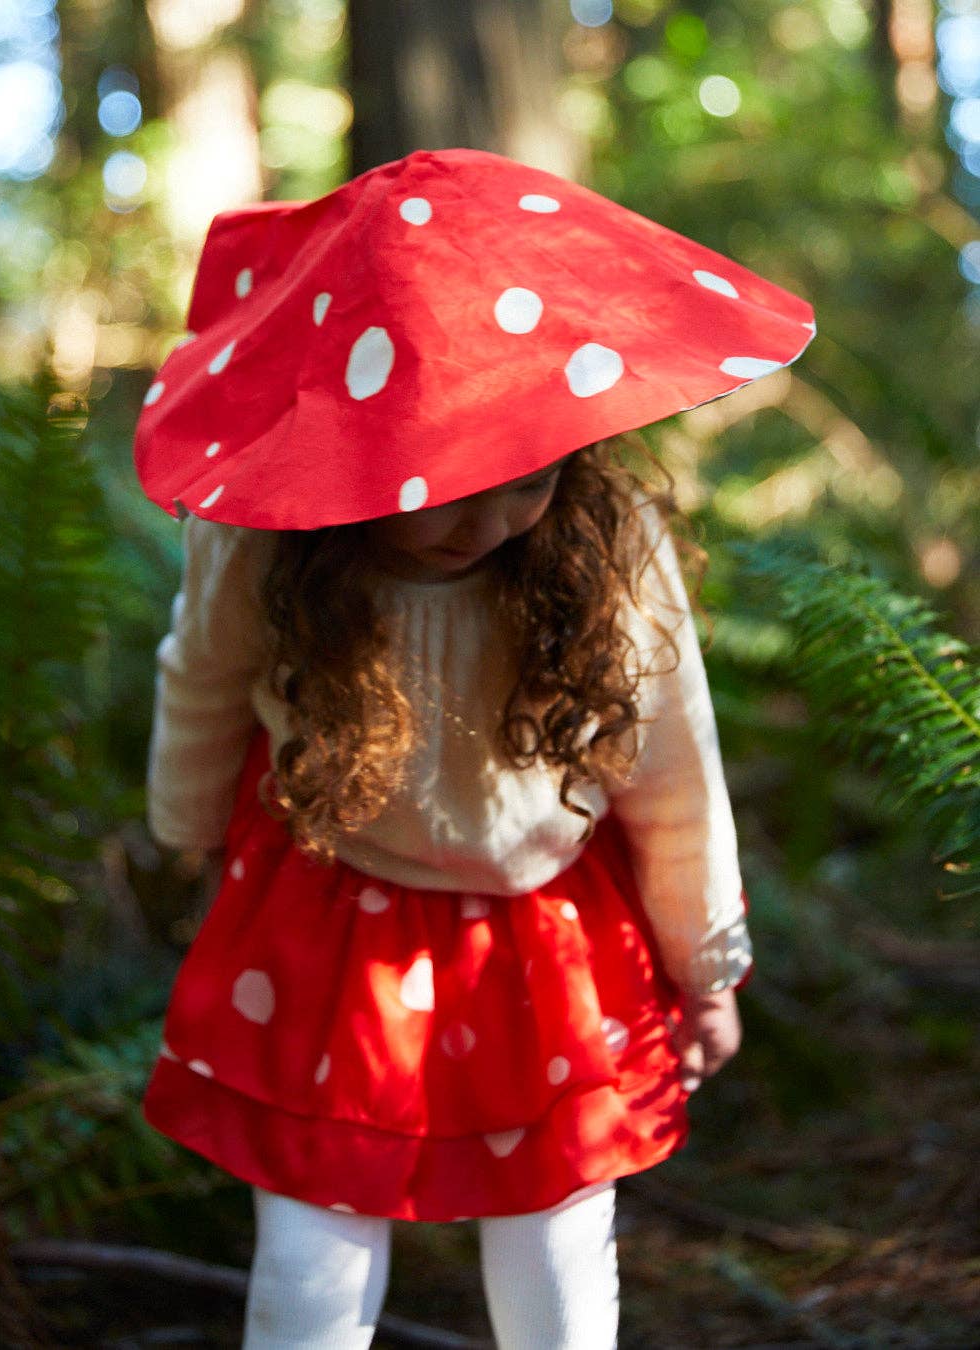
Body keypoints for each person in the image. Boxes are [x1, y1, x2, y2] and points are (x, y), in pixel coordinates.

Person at [134, 148, 815, 1349]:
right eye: (440, 476)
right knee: (310, 1257)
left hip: (546, 927)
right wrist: (183, 835)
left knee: (558, 1242)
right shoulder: (267, 540)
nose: (481, 520)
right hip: (329, 911)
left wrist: (705, 967)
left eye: (527, 475)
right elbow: (205, 681)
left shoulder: (609, 552)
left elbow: (672, 765)